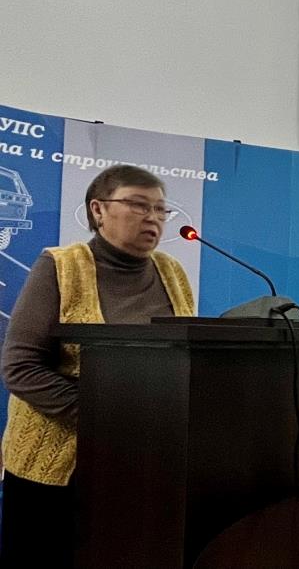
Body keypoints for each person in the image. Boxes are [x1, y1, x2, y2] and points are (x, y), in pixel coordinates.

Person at [0, 166, 195, 567]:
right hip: (55, 473)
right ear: (98, 210)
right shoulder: (60, 266)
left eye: (160, 209)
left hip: (141, 467)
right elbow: (21, 367)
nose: (153, 218)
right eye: (138, 205)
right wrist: (108, 419)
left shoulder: (172, 272)